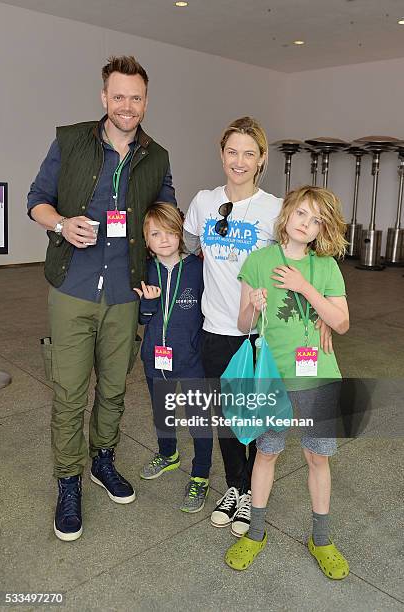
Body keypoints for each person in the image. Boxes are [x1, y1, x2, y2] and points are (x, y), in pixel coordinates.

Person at [27, 55, 176, 541]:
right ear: (104, 98)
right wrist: (61, 224)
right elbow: (36, 199)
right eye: (119, 96)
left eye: (136, 97)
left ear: (146, 101)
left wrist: (165, 260)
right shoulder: (71, 140)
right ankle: (68, 481)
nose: (127, 106)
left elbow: (166, 215)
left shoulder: (157, 156)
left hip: (125, 290)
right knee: (69, 394)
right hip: (72, 287)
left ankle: (102, 460)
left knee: (113, 389)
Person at [225, 185, 350, 580]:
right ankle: (256, 532)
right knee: (267, 453)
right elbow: (243, 325)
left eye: (317, 221)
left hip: (319, 381)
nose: (307, 224)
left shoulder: (326, 267)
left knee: (318, 458)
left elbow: (342, 323)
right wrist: (252, 305)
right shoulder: (259, 261)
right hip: (273, 381)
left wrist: (305, 288)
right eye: (302, 214)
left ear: (321, 229)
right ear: (287, 213)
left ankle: (322, 538)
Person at [183, 117, 283, 536]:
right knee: (225, 416)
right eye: (231, 152)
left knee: (253, 417)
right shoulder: (204, 202)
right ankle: (235, 489)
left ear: (261, 159)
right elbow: (190, 243)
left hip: (258, 334)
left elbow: (290, 263)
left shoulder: (274, 209)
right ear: (221, 154)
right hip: (215, 328)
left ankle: (251, 489)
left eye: (248, 153)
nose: (238, 161)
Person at [136, 203, 212, 513]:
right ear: (146, 239)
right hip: (156, 357)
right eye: (156, 233)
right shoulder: (145, 269)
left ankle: (201, 475)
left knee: (199, 420)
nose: (164, 239)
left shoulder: (197, 267)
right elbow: (142, 318)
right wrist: (150, 305)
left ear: (181, 233)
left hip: (192, 359)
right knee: (162, 413)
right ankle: (168, 454)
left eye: (170, 232)